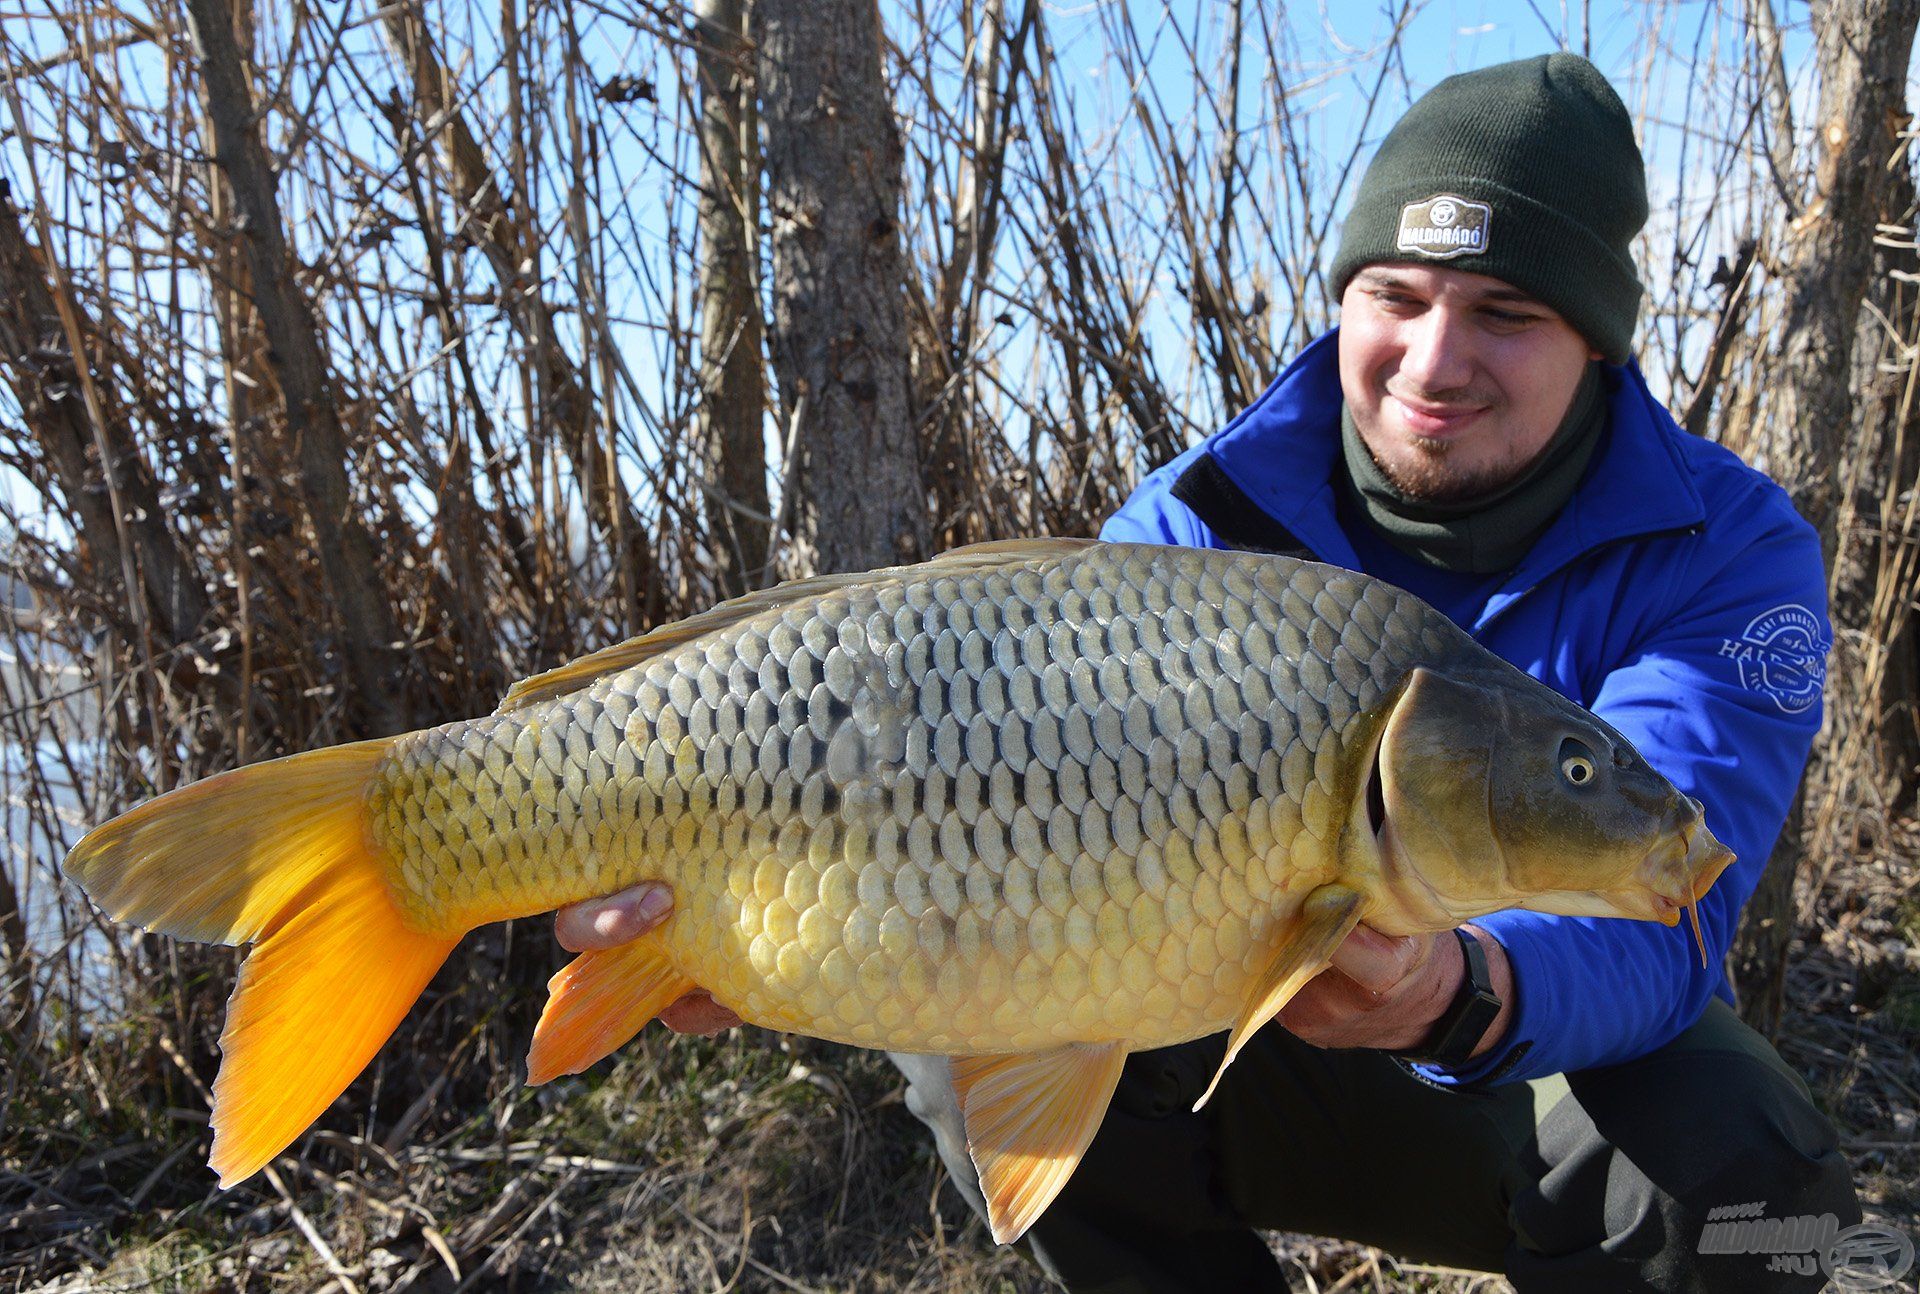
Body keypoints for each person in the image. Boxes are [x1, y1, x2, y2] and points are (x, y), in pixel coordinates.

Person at [554, 53, 1862, 1293]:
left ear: (1596, 341)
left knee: (1780, 1203)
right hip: (1233, 1053)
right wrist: (760, 927)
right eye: (1395, 298)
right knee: (973, 1040)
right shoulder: (1194, 523)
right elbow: (974, 843)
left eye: (1506, 315)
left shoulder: (1731, 551)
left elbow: (1670, 898)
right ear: (1346, 299)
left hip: (1522, 1060)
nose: (1435, 360)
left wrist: (1454, 986)